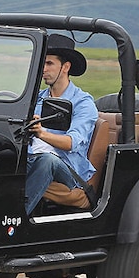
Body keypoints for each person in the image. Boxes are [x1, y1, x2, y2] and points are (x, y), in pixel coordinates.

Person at [25, 34, 99, 215]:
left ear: (65, 67)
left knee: (47, 160)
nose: (43, 68)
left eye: (49, 64)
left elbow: (71, 143)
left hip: (67, 169)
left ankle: (18, 217)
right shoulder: (38, 98)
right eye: (42, 63)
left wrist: (41, 133)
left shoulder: (83, 102)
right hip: (32, 158)